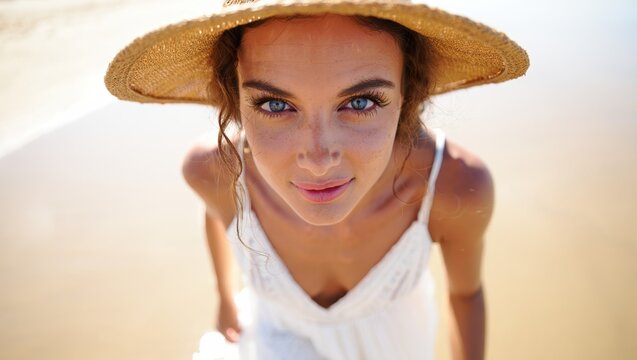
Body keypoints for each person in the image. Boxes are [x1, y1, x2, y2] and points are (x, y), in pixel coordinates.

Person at [105, 0, 529, 359]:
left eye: (360, 101)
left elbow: (466, 295)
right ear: (234, 99)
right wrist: (224, 299)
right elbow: (218, 216)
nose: (318, 158)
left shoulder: (453, 187)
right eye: (274, 104)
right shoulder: (211, 170)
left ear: (408, 94)